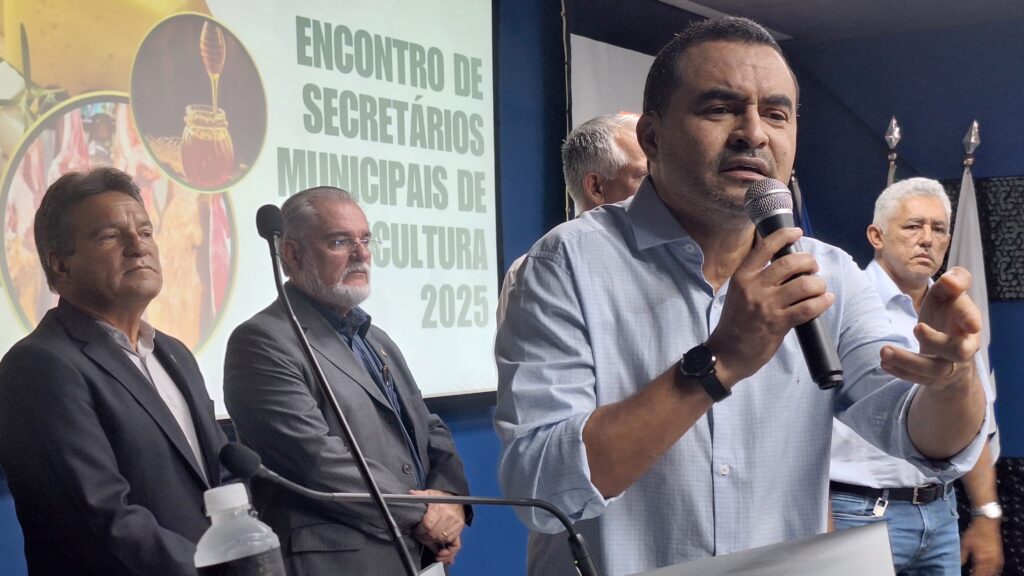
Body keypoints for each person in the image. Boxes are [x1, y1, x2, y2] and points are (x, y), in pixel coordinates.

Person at [493, 17, 988, 576]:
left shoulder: (829, 273)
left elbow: (920, 435)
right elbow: (542, 485)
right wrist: (720, 360)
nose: (753, 133)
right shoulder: (564, 265)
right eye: (719, 108)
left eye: (776, 114)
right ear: (652, 137)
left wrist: (954, 382)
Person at [223, 186, 472, 576]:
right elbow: (315, 461)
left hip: (419, 555)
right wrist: (427, 515)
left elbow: (429, 428)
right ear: (291, 253)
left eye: (365, 240)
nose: (361, 254)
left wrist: (449, 498)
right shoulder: (262, 341)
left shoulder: (375, 339)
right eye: (340, 241)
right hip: (340, 559)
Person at [0, 167, 231, 576]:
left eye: (145, 232)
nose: (137, 247)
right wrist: (211, 570)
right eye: (109, 236)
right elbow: (98, 519)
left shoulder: (175, 354)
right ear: (60, 264)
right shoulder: (39, 365)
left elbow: (220, 476)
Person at [830, 177, 1003, 576]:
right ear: (877, 235)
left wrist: (986, 513)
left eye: (938, 229)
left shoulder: (956, 313)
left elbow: (975, 422)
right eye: (913, 226)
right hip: (855, 513)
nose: (927, 239)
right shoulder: (840, 303)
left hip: (941, 513)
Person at [498, 112, 645, 322]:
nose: (660, 188)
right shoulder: (536, 271)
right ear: (596, 187)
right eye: (645, 176)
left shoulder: (678, 259)